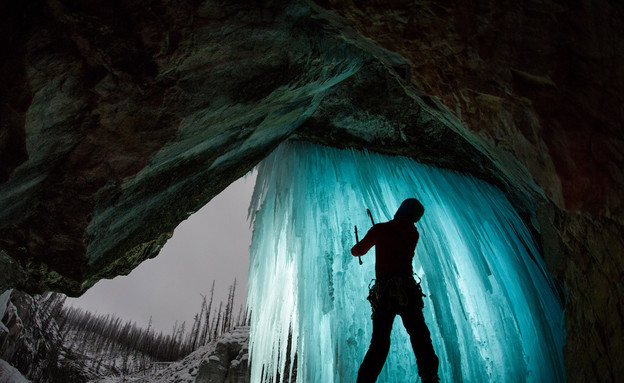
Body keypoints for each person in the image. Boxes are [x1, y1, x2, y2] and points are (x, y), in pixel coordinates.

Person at [351, 198, 439, 383]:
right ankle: (429, 375)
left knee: (379, 343)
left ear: (401, 210)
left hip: (384, 294)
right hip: (408, 291)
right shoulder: (413, 234)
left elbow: (358, 251)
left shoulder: (380, 230)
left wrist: (358, 246)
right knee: (419, 335)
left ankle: (365, 380)